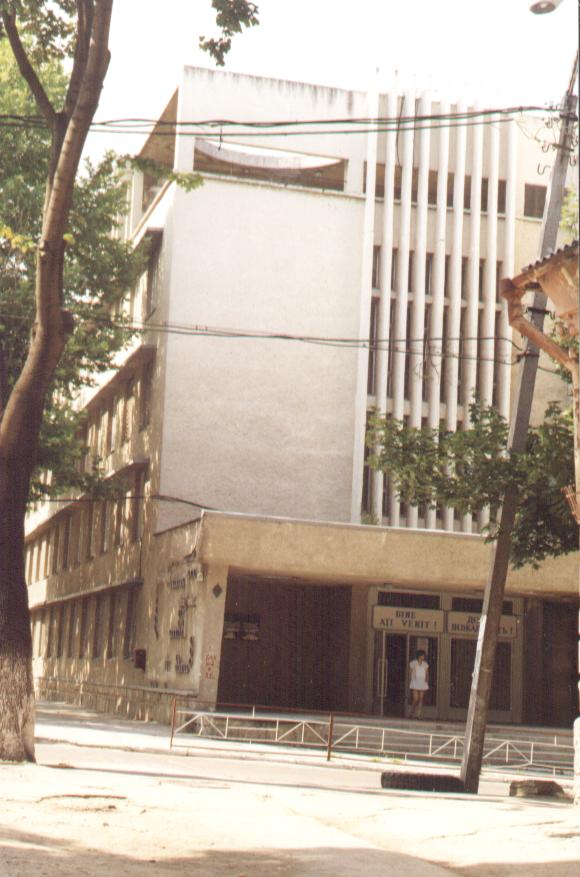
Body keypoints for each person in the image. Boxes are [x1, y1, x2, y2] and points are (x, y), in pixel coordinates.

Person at [408, 649, 429, 719]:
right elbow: (410, 672)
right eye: (423, 655)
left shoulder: (425, 664)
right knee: (416, 698)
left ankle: (418, 715)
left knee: (421, 698)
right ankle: (411, 712)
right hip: (415, 682)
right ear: (419, 656)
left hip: (422, 682)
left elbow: (427, 673)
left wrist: (426, 680)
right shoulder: (413, 663)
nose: (423, 657)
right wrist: (411, 680)